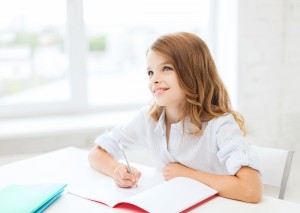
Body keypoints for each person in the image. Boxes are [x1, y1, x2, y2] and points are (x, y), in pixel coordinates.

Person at [88, 32, 263, 203]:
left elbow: (251, 189)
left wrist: (188, 175)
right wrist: (116, 169)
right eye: (150, 72)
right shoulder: (148, 119)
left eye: (166, 68)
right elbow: (96, 154)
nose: (154, 80)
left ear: (193, 73)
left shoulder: (220, 125)